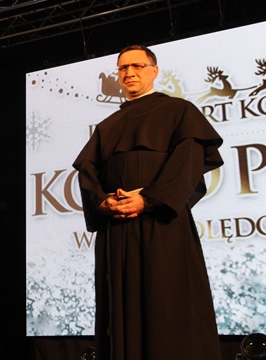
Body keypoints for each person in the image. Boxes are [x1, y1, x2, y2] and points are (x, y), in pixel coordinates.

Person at [72, 45, 223, 360]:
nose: (129, 73)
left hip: (162, 226)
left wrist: (149, 199)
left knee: (166, 306)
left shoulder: (179, 112)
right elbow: (87, 171)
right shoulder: (107, 126)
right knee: (118, 311)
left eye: (137, 66)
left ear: (154, 71)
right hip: (117, 231)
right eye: (123, 68)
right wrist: (102, 202)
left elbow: (187, 164)